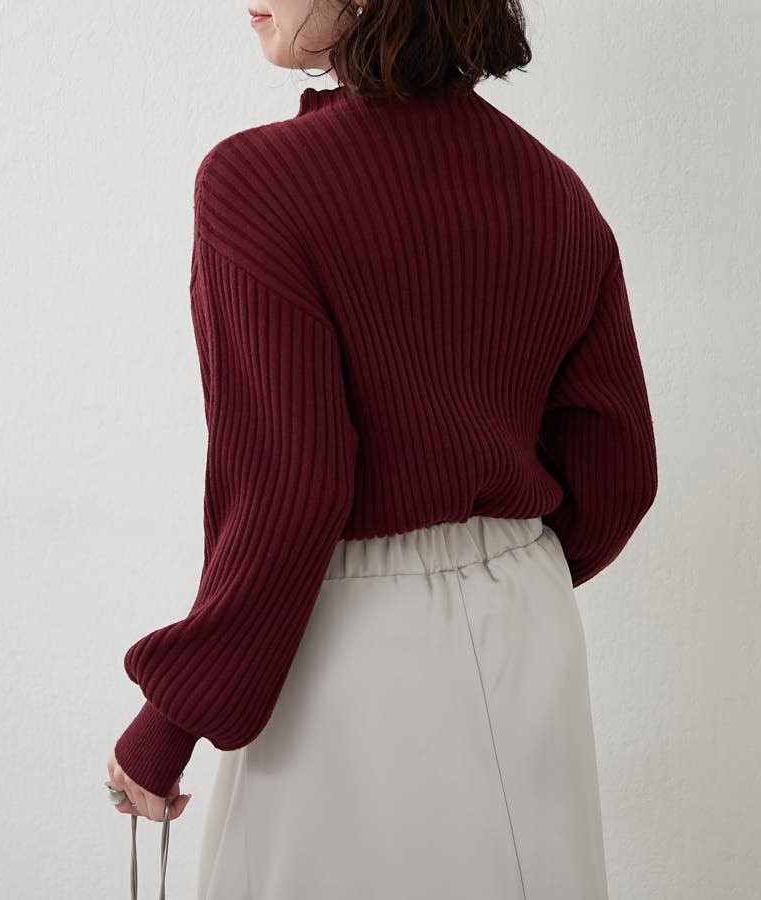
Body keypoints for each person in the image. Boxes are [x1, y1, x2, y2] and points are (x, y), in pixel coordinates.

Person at [106, 1, 658, 898]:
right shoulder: (555, 189)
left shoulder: (258, 183)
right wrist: (501, 557)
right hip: (529, 626)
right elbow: (618, 470)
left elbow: (287, 490)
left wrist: (171, 721)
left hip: (348, 641)